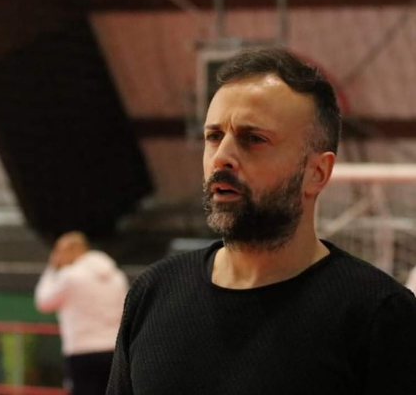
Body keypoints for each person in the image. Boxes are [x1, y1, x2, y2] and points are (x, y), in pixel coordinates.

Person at [106, 47, 416, 395]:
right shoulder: (154, 292)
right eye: (214, 137)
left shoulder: (379, 314)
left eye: (254, 139)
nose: (222, 157)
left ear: (317, 172)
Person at [35, 231, 128, 395]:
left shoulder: (70, 276)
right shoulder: (117, 276)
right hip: (114, 350)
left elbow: (43, 302)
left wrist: (52, 269)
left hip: (82, 351)